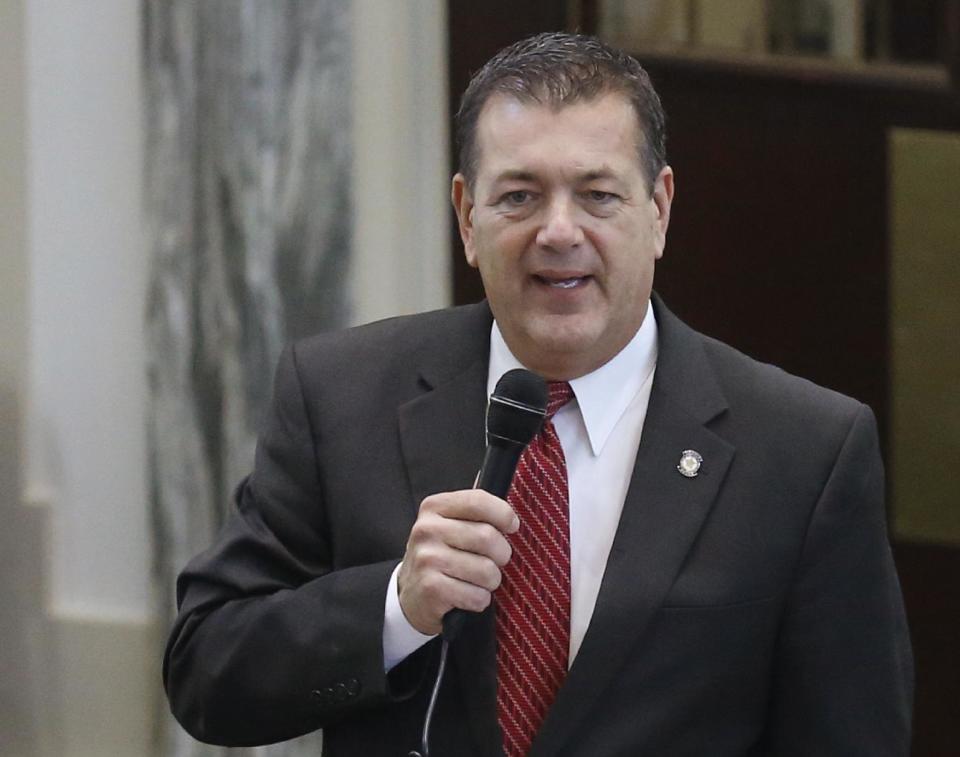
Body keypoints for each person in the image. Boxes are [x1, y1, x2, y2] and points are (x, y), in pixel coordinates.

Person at [164, 32, 913, 756]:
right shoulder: (341, 395)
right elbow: (208, 670)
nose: (559, 232)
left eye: (597, 195)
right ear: (466, 216)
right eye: (520, 196)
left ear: (659, 209)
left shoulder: (805, 452)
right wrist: (395, 607)